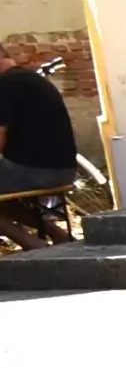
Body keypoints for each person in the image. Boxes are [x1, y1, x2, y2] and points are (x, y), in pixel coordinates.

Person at [0, 54, 78, 251]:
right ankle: (58, 235)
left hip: (35, 171)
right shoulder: (29, 79)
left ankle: (31, 244)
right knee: (5, 202)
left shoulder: (6, 85)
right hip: (63, 168)